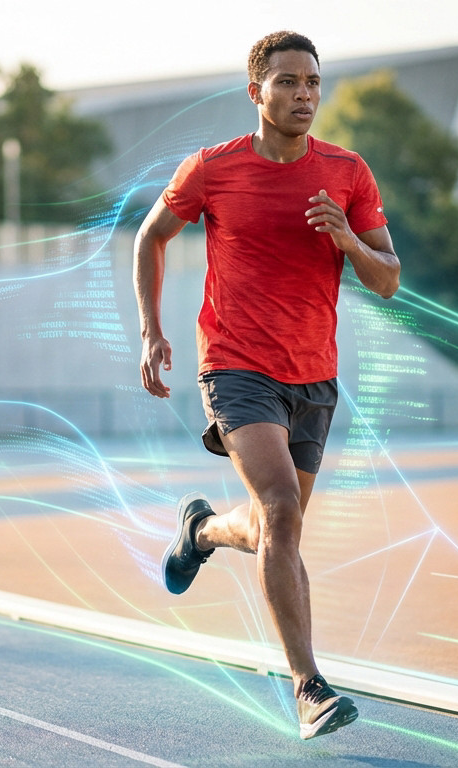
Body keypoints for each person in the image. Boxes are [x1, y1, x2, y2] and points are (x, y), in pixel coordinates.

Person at [133, 30, 401, 740]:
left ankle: (202, 531)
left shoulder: (347, 173)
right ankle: (308, 686)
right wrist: (150, 330)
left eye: (312, 81)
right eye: (287, 82)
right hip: (235, 365)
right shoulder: (213, 169)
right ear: (256, 92)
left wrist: (346, 238)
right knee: (282, 510)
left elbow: (389, 280)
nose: (303, 94)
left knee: (265, 526)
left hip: (314, 376)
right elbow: (151, 237)